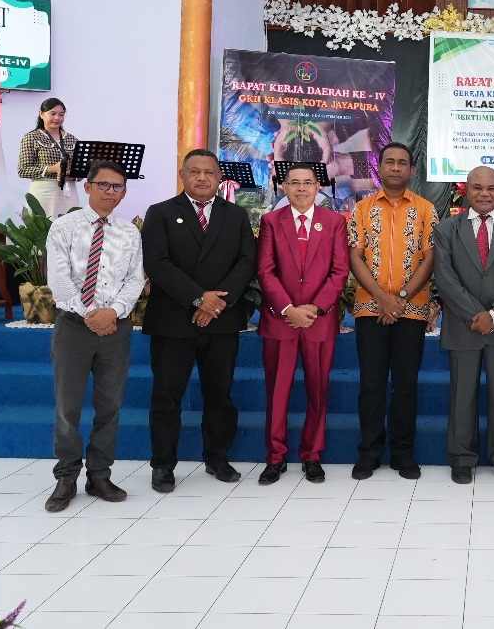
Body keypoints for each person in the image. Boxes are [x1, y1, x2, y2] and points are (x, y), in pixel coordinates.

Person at [141, 149, 257, 492]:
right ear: (183, 175)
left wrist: (214, 304)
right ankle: (163, 465)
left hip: (221, 320)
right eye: (195, 172)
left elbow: (246, 262)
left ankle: (217, 458)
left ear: (220, 177)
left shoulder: (236, 215)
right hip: (173, 321)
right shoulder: (161, 212)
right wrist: (198, 297)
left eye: (209, 172)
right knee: (167, 397)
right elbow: (157, 263)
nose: (203, 178)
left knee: (219, 395)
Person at [42, 161, 145, 512]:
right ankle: (66, 477)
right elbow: (59, 279)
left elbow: (135, 279)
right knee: (67, 406)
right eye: (104, 185)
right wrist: (91, 314)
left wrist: (112, 312)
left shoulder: (129, 232)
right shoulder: (64, 227)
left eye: (118, 187)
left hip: (115, 328)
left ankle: (100, 475)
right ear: (88, 187)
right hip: (74, 327)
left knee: (110, 406)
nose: (111, 192)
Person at [432, 166, 494, 485]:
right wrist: (478, 315)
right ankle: (462, 458)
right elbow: (445, 278)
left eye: (491, 188)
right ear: (466, 190)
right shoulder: (447, 229)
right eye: (477, 187)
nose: (485, 194)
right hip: (465, 325)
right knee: (463, 395)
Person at [347, 142, 437, 480]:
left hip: (410, 311)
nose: (396, 167)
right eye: (390, 162)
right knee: (371, 384)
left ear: (411, 170)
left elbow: (430, 258)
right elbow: (354, 256)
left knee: (405, 385)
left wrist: (398, 298)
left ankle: (403, 453)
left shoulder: (426, 209)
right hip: (370, 309)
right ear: (379, 167)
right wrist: (381, 298)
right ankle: (369, 453)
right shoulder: (361, 209)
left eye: (402, 163)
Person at [255, 163, 350, 485]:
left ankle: (312, 455)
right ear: (284, 187)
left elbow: (340, 271)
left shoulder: (334, 222)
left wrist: (315, 308)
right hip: (280, 320)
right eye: (294, 182)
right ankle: (275, 458)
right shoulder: (271, 221)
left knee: (318, 391)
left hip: (317, 321)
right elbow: (265, 271)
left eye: (307, 182)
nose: (301, 188)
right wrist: (288, 308)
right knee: (277, 392)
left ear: (317, 187)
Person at [16, 97, 80, 217]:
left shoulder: (72, 139)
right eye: (53, 114)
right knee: (42, 226)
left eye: (61, 114)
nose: (57, 118)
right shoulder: (32, 137)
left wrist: (71, 175)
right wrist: (52, 169)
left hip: (68, 192)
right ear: (41, 114)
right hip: (43, 192)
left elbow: (80, 171)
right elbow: (23, 170)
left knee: (69, 225)